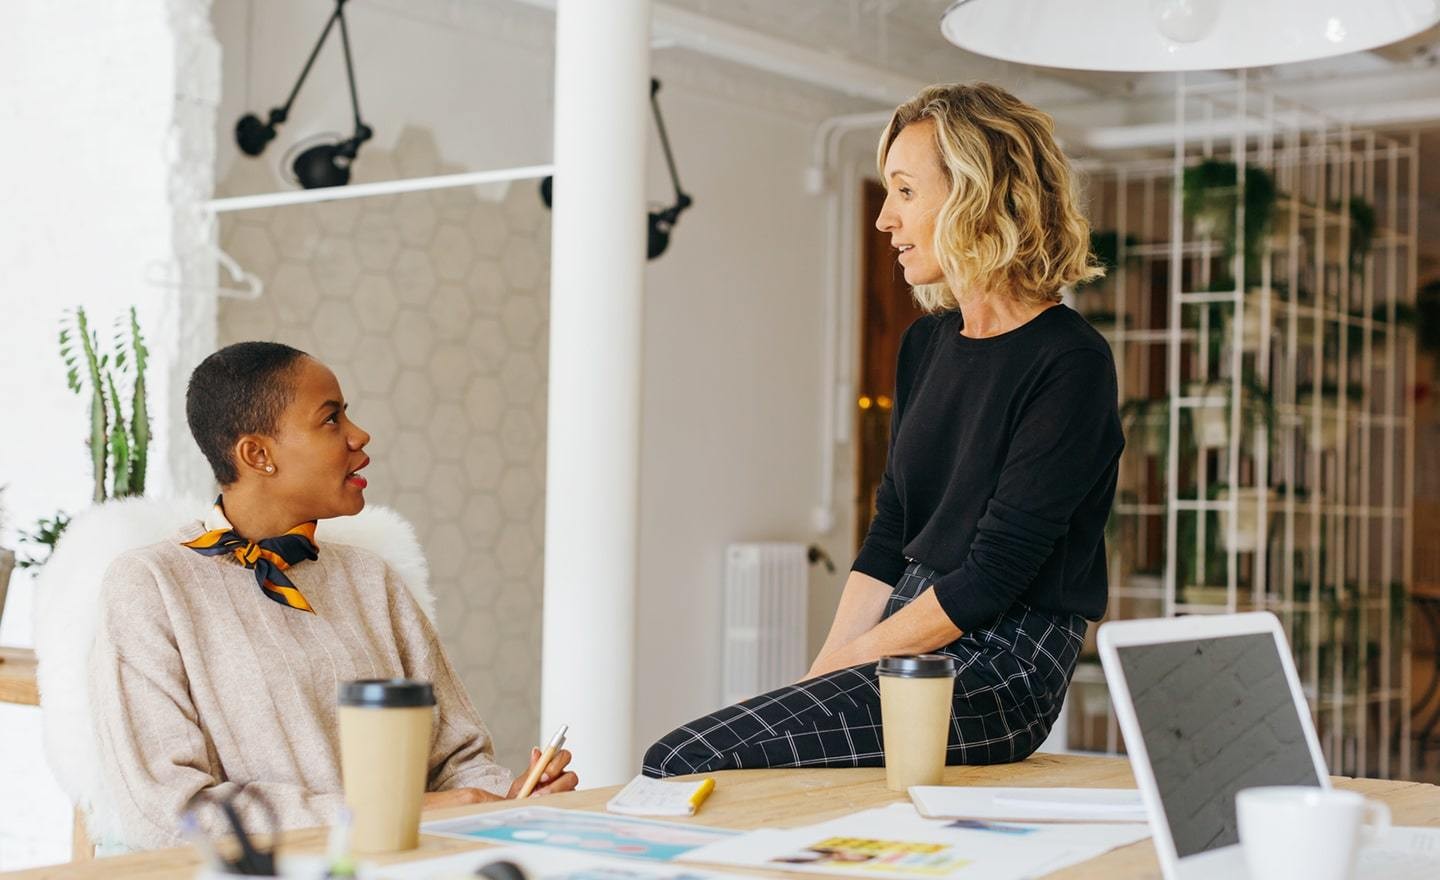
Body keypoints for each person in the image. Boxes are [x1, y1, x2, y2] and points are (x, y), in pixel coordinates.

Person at [643, 82, 1123, 776]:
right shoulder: (924, 345)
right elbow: (890, 536)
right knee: (709, 755)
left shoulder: (1070, 361)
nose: (884, 220)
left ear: (977, 196)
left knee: (684, 758)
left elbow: (992, 577)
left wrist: (838, 670)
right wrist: (820, 676)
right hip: (909, 632)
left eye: (903, 191)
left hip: (1003, 665)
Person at [90, 342, 577, 849]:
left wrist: (513, 793)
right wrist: (385, 813)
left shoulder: (372, 580)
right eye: (331, 419)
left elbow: (457, 763)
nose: (360, 435)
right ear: (258, 454)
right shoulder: (149, 586)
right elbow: (170, 812)